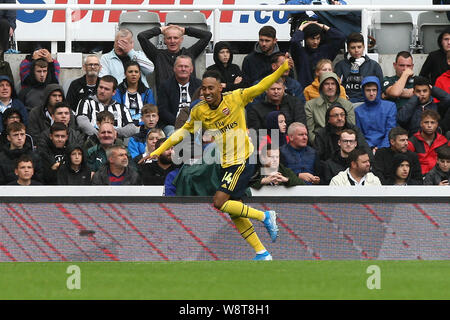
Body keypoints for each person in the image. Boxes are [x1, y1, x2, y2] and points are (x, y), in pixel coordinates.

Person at [148, 58, 292, 261]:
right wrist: (159, 150)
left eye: (211, 88)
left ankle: (265, 216)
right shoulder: (199, 110)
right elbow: (182, 132)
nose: (206, 92)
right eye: (203, 89)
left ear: (220, 88)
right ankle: (262, 252)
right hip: (226, 162)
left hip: (244, 158)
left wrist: (283, 69)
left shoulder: (236, 98)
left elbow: (262, 85)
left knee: (219, 202)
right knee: (234, 209)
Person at [138, 23, 211, 88]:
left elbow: (207, 35)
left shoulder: (189, 53)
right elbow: (141, 36)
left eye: (176, 38)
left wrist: (185, 30)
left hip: (188, 98)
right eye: (169, 38)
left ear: (181, 39)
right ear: (164, 40)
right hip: (166, 99)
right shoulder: (158, 55)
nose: (172, 41)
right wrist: (160, 30)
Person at [290, 20, 345, 88]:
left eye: (318, 38)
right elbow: (294, 41)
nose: (315, 42)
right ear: (305, 38)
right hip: (305, 93)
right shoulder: (300, 53)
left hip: (325, 91)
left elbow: (341, 37)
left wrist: (322, 26)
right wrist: (302, 27)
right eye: (312, 39)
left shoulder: (325, 51)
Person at [157, 55, 201, 137]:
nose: (183, 69)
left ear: (191, 69)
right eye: (180, 66)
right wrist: (180, 123)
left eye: (186, 66)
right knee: (175, 136)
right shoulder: (165, 86)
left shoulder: (199, 85)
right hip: (172, 124)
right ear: (174, 68)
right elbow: (162, 110)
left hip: (195, 123)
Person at [304, 71, 354, 144]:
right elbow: (310, 132)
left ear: (337, 86)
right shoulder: (310, 105)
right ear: (321, 86)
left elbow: (351, 129)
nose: (330, 87)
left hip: (343, 144)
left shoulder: (347, 105)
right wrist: (319, 145)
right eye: (326, 84)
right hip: (320, 144)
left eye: (333, 84)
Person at [334, 32, 383, 104]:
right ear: (348, 48)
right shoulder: (340, 65)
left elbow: (380, 88)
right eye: (353, 47)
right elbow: (335, 87)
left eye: (359, 47)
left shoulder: (374, 65)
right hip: (346, 103)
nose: (356, 50)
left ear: (364, 47)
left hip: (367, 103)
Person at [355, 76, 397, 151]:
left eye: (374, 90)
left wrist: (382, 148)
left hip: (387, 148)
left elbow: (390, 130)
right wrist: (369, 147)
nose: (371, 93)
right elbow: (359, 134)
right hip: (365, 148)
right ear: (363, 91)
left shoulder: (390, 106)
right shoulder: (358, 111)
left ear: (378, 91)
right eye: (368, 90)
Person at [112, 61, 156, 126]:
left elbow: (151, 113)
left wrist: (141, 125)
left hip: (143, 126)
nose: (133, 74)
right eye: (130, 72)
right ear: (125, 74)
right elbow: (117, 112)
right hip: (124, 126)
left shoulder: (147, 92)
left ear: (139, 74)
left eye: (136, 72)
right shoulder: (118, 91)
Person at [407, 110, 448, 176]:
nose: (429, 125)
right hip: (418, 178)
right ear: (421, 124)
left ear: (437, 124)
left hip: (439, 178)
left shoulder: (443, 142)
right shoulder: (412, 142)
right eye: (426, 122)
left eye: (432, 122)